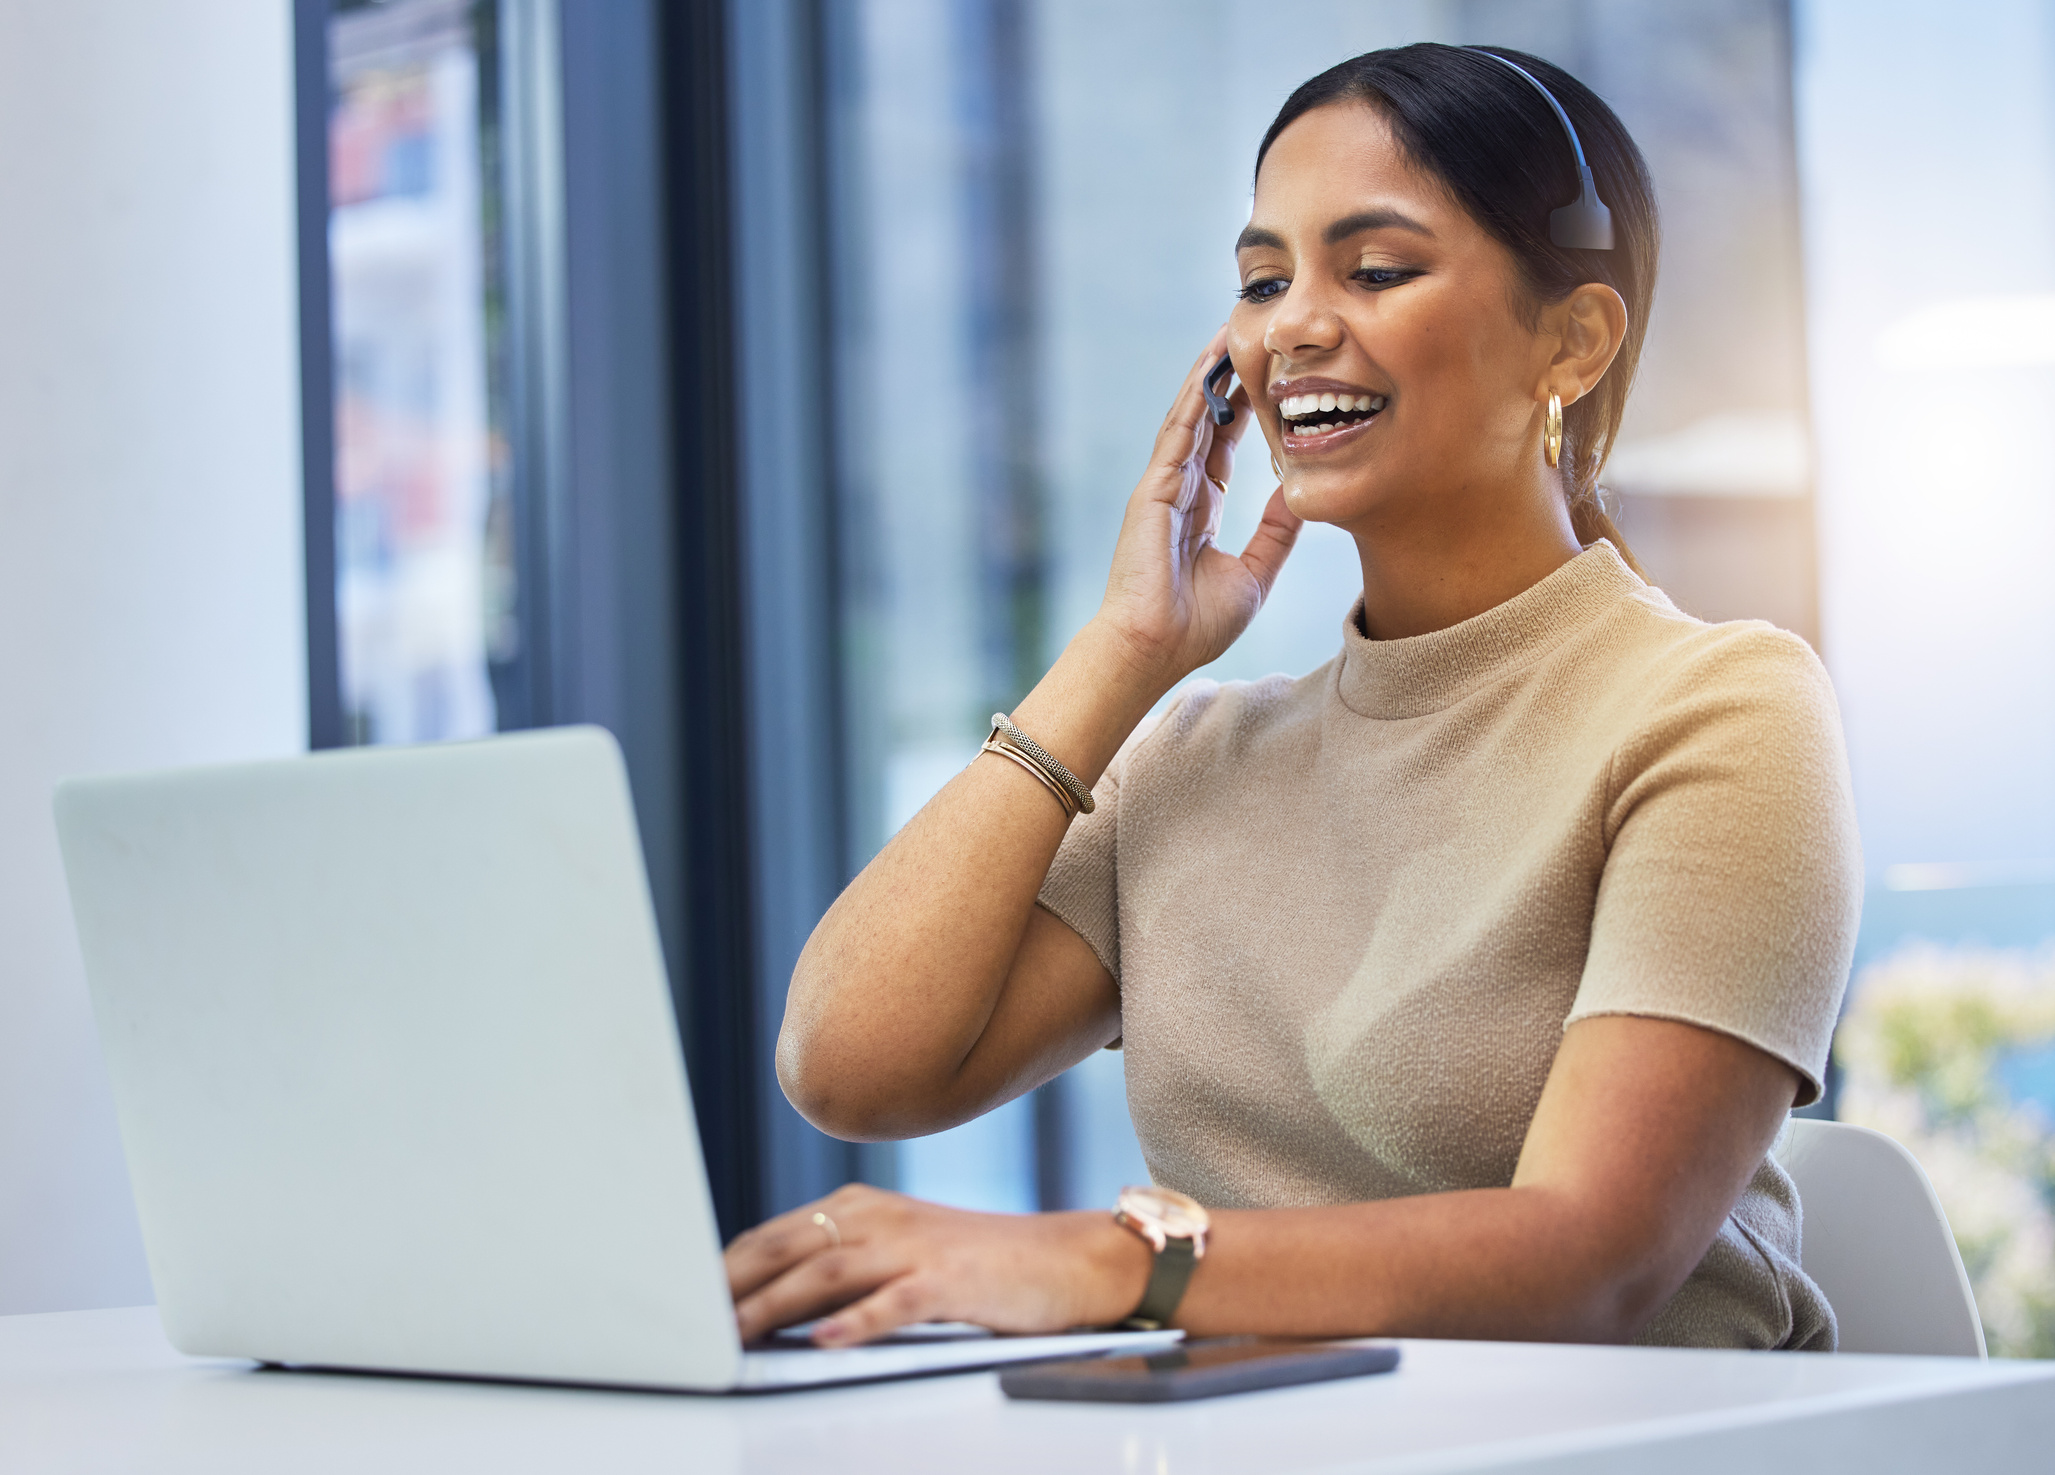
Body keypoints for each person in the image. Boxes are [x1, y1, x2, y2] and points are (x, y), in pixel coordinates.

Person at [726, 43, 1861, 1352]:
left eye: (1375, 270)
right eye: (1263, 282)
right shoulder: (1200, 756)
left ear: (1574, 339)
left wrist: (1107, 1265)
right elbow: (849, 1065)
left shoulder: (1721, 709)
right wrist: (1125, 652)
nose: (1292, 327)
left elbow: (1591, 1253)